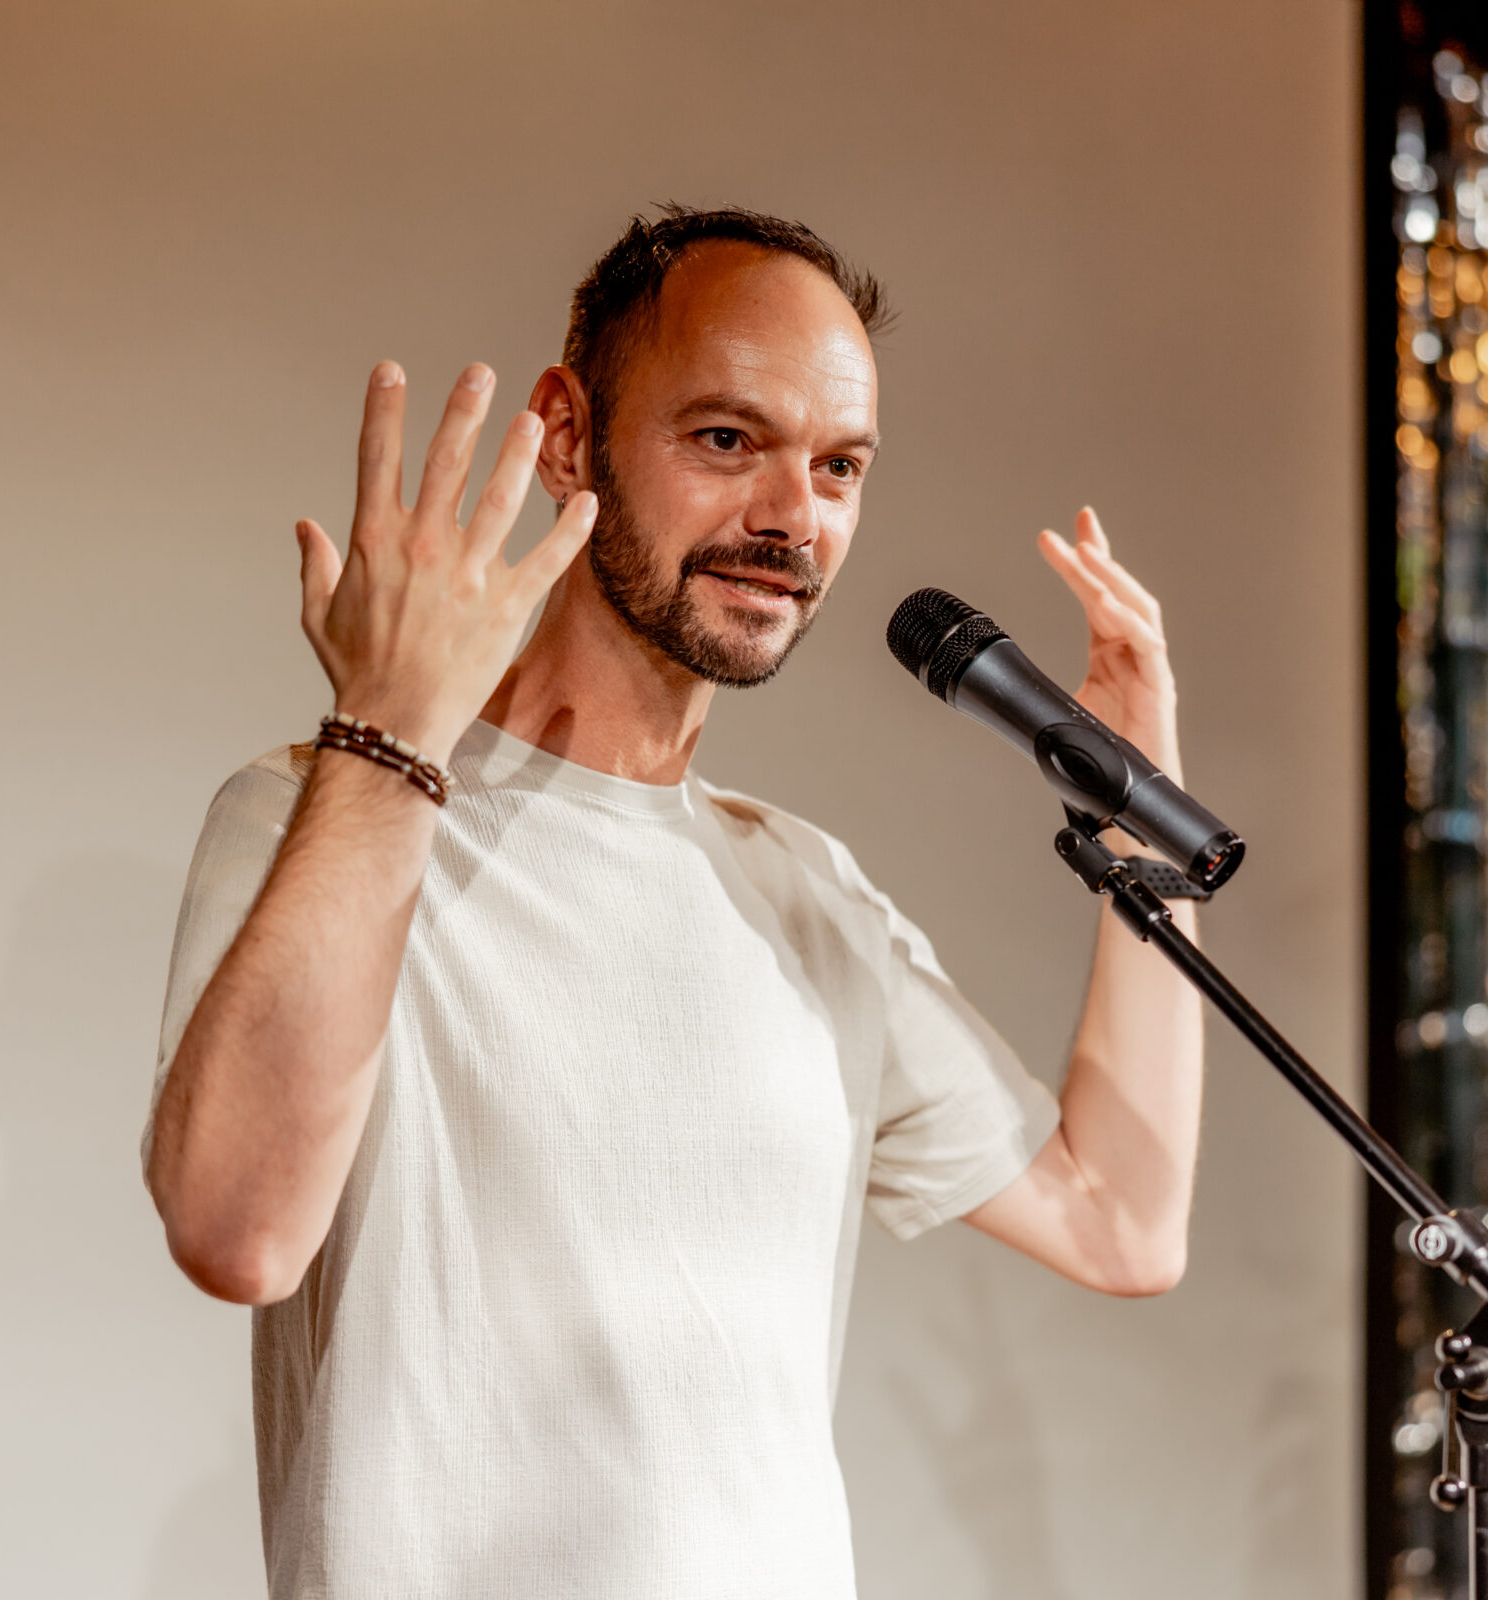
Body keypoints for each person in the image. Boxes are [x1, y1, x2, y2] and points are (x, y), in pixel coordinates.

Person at [142, 206, 1206, 1598]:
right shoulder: (321, 812)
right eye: (725, 440)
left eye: (838, 466)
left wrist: (1146, 816)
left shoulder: (806, 895)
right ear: (569, 433)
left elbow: (1120, 1219)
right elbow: (238, 1231)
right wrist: (391, 731)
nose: (791, 517)